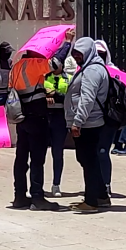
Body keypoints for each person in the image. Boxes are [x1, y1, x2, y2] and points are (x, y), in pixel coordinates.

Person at [9, 50, 60, 211]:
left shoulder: (16, 66)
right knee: (37, 159)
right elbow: (56, 64)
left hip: (22, 115)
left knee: (21, 158)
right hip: (37, 116)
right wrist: (66, 43)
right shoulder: (34, 63)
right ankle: (37, 197)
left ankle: (19, 196)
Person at [65, 38, 110, 214]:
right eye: (74, 53)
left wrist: (78, 122)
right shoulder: (90, 67)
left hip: (88, 124)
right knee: (88, 160)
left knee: (88, 161)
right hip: (88, 122)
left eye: (79, 53)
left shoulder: (92, 70)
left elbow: (87, 98)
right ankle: (101, 196)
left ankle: (91, 201)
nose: (76, 56)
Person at [94, 40, 118, 194]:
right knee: (92, 153)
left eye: (102, 54)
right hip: (92, 118)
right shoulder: (88, 70)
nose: (99, 56)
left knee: (103, 151)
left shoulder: (114, 71)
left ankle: (106, 185)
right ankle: (95, 183)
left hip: (108, 118)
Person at [44, 57, 70, 197]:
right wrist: (46, 95)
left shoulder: (69, 78)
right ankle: (37, 185)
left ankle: (56, 184)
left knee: (57, 152)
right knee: (39, 152)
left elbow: (70, 97)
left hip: (61, 116)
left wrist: (55, 94)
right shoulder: (44, 77)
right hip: (46, 115)